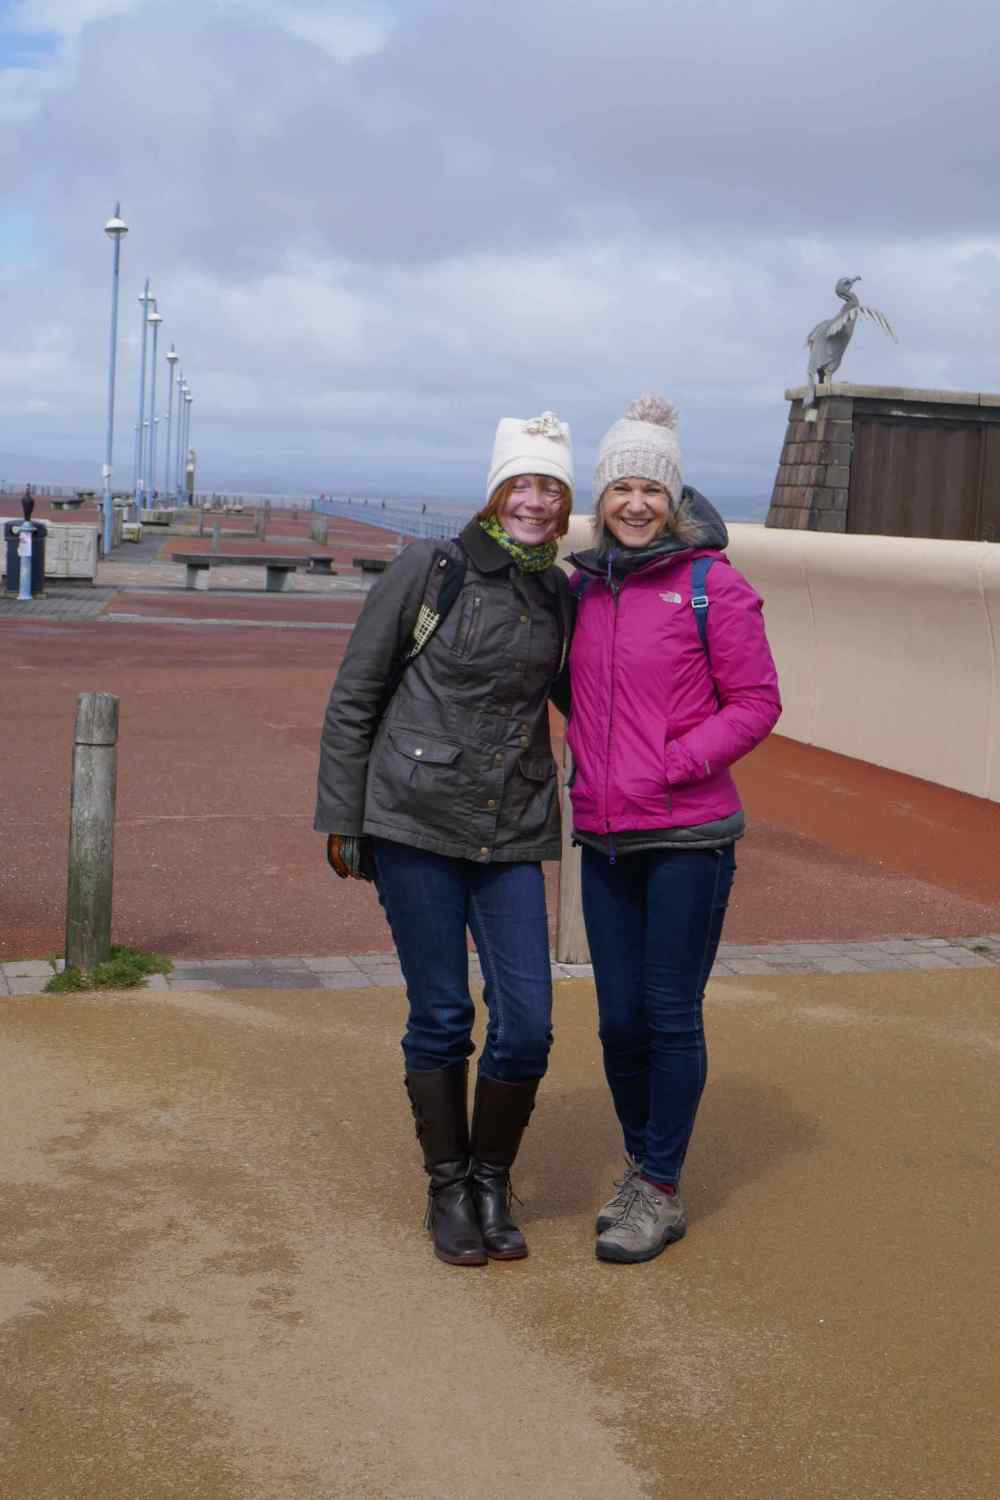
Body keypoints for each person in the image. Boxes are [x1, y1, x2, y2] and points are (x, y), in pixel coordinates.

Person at [315, 412, 575, 1267]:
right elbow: (357, 693)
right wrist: (343, 819)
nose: (536, 501)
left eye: (552, 488)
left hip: (513, 825)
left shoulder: (560, 593)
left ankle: (492, 1179)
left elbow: (594, 693)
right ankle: (449, 1187)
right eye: (523, 483)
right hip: (414, 820)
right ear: (497, 491)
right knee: (442, 1013)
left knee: (527, 1024)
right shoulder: (432, 568)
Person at [565, 395, 781, 1264]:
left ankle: (659, 1188)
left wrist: (670, 762)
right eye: (621, 487)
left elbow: (757, 702)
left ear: (674, 498)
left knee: (667, 1015)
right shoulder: (582, 588)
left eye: (651, 488)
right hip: (605, 837)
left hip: (689, 837)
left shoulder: (711, 586)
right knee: (618, 1023)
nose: (635, 503)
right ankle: (641, 1167)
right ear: (601, 497)